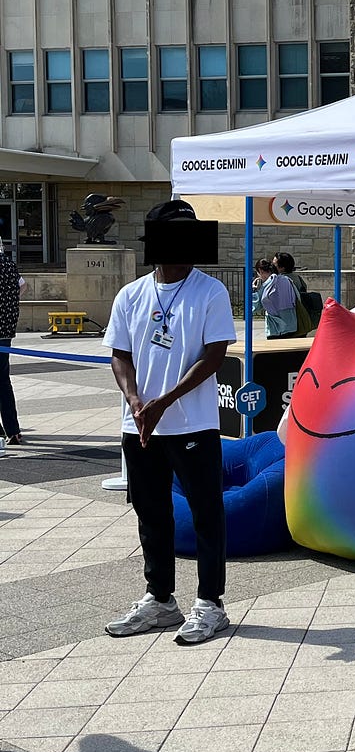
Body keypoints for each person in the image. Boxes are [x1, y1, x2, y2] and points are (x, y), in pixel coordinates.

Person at [103, 200, 238, 643]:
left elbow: (214, 354)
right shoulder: (131, 294)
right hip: (139, 424)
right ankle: (160, 598)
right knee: (150, 512)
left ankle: (210, 603)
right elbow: (119, 354)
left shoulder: (210, 291)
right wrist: (137, 400)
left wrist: (166, 400)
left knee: (205, 513)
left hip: (192, 423)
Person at [0, 243, 26, 447]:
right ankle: (12, 430)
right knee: (3, 381)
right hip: (5, 330)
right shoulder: (9, 265)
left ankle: (8, 430)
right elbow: (23, 285)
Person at [251, 258, 298, 339]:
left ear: (261, 271)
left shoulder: (267, 284)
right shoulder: (286, 280)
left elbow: (255, 306)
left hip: (275, 327)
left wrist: (255, 289)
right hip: (291, 323)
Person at [272, 252, 315, 335]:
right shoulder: (297, 278)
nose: (271, 267)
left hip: (288, 322)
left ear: (282, 267)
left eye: (274, 265)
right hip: (301, 319)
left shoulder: (282, 280)